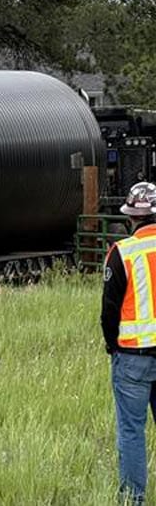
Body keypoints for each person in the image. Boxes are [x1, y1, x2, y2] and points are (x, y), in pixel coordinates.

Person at [101, 181, 156, 505]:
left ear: (130, 218)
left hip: (132, 357)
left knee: (132, 432)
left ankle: (133, 500)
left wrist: (113, 346)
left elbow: (109, 311)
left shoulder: (122, 252)